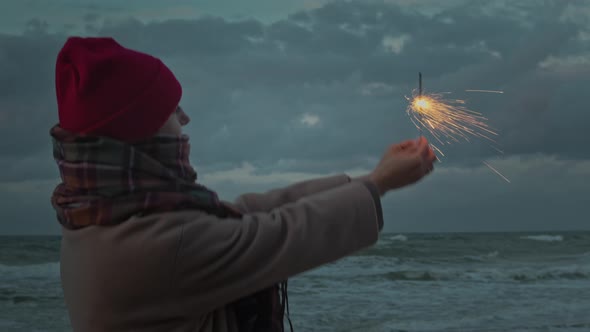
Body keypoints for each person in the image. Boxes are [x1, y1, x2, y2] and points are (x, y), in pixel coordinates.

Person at [50, 37, 436, 332]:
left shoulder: (98, 217)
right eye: (170, 110)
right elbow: (278, 234)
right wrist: (380, 184)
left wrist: (371, 178)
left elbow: (245, 212)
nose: (184, 120)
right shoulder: (162, 247)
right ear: (140, 133)